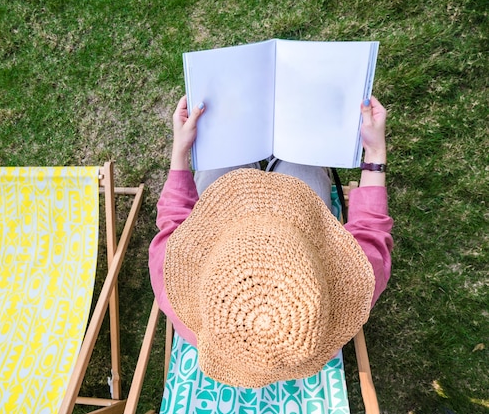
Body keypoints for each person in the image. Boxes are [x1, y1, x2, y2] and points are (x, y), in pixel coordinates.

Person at [148, 95, 393, 410]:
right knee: (300, 161)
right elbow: (372, 230)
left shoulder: (183, 295)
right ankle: (285, 150)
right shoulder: (349, 288)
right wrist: (374, 150)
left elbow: (173, 221)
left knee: (222, 155)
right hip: (285, 218)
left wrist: (181, 149)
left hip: (255, 223)